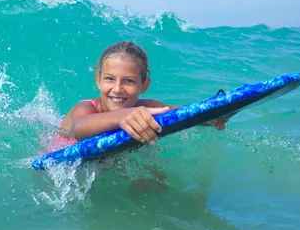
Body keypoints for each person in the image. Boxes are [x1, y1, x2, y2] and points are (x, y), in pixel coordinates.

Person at [48, 41, 228, 152]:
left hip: (110, 152)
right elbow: (79, 129)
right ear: (98, 80)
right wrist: (122, 116)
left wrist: (210, 118)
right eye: (110, 79)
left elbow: (179, 114)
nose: (117, 89)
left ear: (144, 85)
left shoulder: (145, 106)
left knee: (155, 176)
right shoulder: (86, 108)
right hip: (62, 154)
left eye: (128, 81)